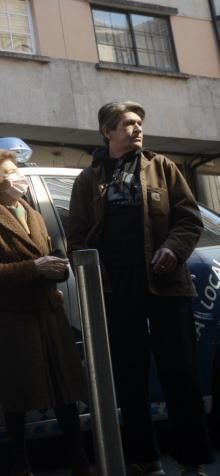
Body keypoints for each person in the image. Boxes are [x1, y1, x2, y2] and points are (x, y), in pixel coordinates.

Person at [68, 101, 213, 476]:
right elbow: (78, 236)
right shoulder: (88, 181)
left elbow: (189, 219)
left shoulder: (162, 168)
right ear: (108, 131)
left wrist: (173, 249)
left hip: (166, 285)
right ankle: (145, 461)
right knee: (129, 378)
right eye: (128, 124)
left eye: (139, 123)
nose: (137, 129)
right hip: (118, 291)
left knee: (179, 374)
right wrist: (92, 272)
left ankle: (192, 462)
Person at [0, 150, 93, 476]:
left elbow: (49, 256)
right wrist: (35, 267)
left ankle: (80, 461)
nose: (18, 177)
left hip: (49, 313)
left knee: (65, 392)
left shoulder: (32, 214)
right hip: (15, 320)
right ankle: (20, 465)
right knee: (19, 397)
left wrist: (57, 269)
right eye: (10, 171)